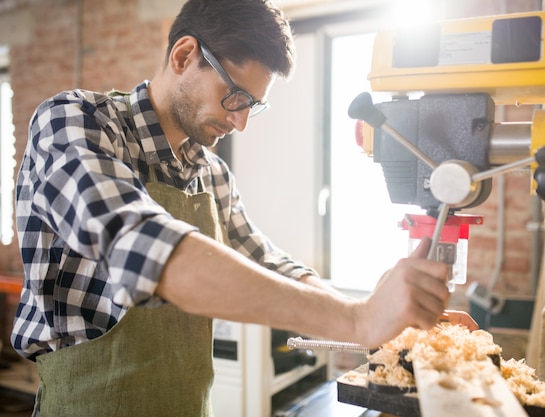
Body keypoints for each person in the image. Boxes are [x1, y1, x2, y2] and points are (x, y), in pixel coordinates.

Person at [12, 0, 477, 415]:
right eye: (234, 97)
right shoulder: (75, 123)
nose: (239, 123)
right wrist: (358, 321)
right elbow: (140, 247)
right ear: (183, 55)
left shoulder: (210, 172)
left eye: (252, 106)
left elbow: (268, 262)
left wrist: (381, 313)